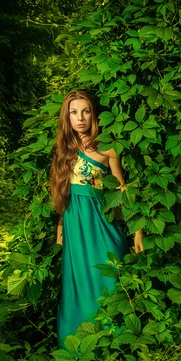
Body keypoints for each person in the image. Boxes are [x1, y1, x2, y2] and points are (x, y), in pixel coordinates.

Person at [49, 89, 143, 347]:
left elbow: (122, 194)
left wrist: (137, 231)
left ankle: (114, 348)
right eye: (74, 112)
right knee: (77, 288)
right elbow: (62, 197)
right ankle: (76, 349)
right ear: (66, 117)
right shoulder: (63, 151)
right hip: (74, 229)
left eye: (86, 111)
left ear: (94, 114)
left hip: (103, 228)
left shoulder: (108, 149)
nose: (80, 118)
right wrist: (60, 228)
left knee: (110, 282)